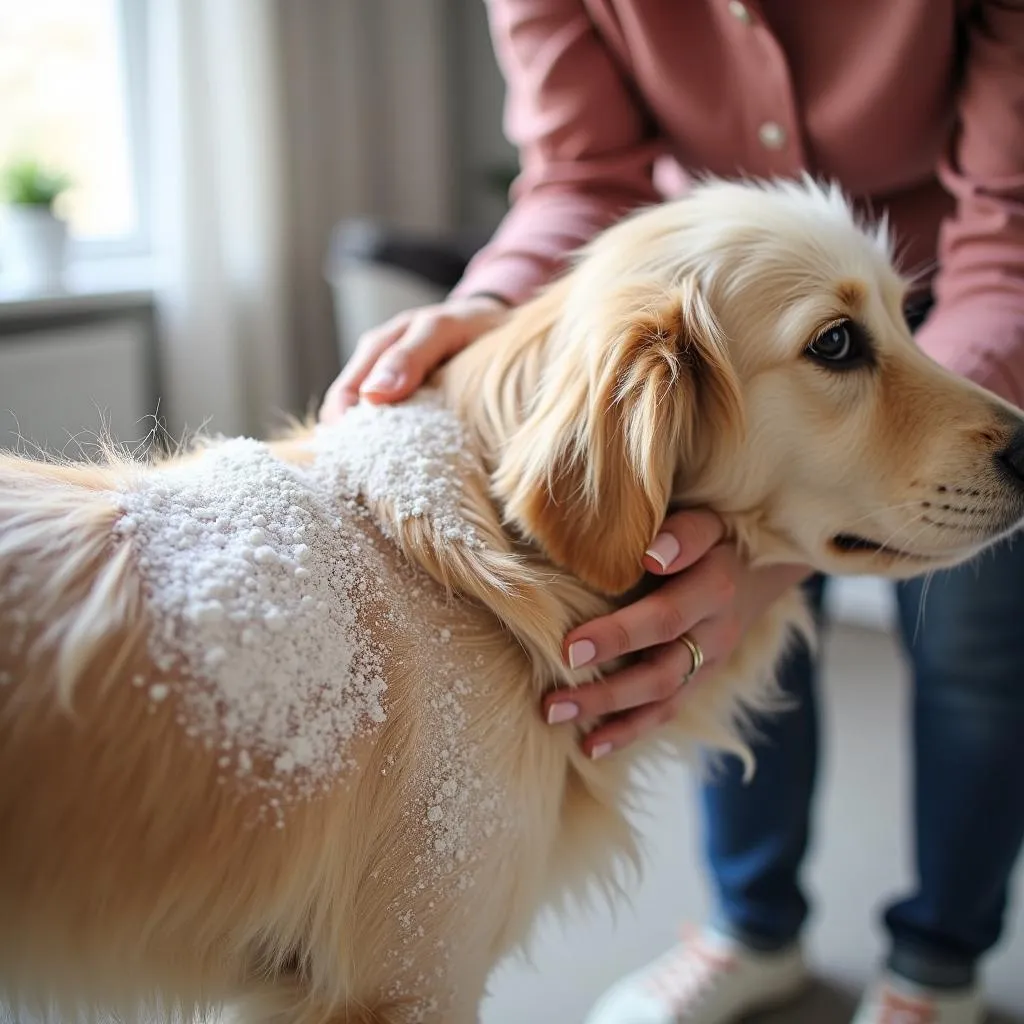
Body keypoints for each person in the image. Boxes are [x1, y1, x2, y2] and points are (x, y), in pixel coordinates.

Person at [319, 4, 1024, 1022]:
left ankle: (935, 967)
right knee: (712, 628)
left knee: (976, 648)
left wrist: (809, 506)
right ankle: (751, 927)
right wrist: (495, 301)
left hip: (956, 297)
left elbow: (1008, 220)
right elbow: (580, 173)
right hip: (732, 329)